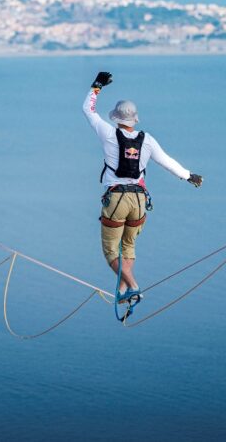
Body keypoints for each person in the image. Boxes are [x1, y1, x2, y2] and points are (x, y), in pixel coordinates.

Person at [82, 71, 203, 307]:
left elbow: (88, 110)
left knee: (110, 251)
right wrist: (189, 176)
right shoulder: (147, 140)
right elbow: (168, 162)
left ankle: (133, 285)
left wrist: (97, 86)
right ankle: (124, 290)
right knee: (128, 246)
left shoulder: (108, 133)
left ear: (116, 118)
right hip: (138, 201)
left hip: (116, 198)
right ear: (134, 119)